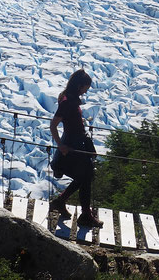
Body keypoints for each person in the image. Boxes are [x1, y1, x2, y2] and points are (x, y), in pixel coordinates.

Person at [48, 69, 102, 228]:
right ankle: (84, 215)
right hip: (71, 146)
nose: (87, 90)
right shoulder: (67, 102)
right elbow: (53, 125)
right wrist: (60, 145)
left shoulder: (70, 98)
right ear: (79, 85)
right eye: (86, 86)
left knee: (84, 177)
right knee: (85, 176)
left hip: (77, 144)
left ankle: (62, 202)